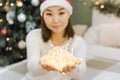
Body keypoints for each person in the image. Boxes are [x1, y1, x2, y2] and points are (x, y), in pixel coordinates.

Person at [21, 0, 87, 80]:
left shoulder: (78, 42)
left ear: (68, 14)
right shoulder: (34, 36)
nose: (56, 20)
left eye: (61, 13)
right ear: (43, 16)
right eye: (49, 14)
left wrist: (72, 67)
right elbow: (32, 67)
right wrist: (43, 65)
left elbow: (81, 72)